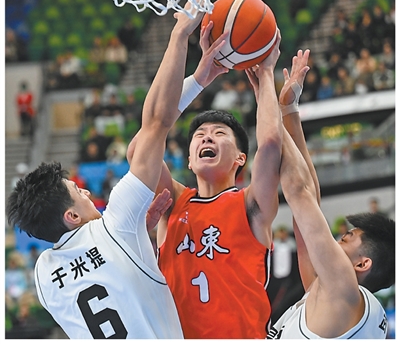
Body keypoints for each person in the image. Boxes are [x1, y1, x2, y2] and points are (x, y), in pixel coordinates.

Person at [6, 0, 226, 339]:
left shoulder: (43, 275)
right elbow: (154, 124)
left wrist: (136, 231)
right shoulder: (115, 224)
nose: (86, 192)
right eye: (78, 192)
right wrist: (180, 38)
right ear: (71, 216)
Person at [150, 31, 284, 338]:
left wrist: (266, 75)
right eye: (200, 135)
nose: (207, 137)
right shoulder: (172, 202)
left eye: (219, 134)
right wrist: (197, 80)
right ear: (189, 160)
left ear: (240, 158)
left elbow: (270, 145)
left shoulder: (250, 205)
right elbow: (142, 145)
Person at [266, 49, 394, 339]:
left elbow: (299, 192)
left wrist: (264, 84)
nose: (335, 241)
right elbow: (307, 200)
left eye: (345, 239)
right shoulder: (330, 296)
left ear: (362, 264)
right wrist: (288, 110)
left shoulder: (344, 291)